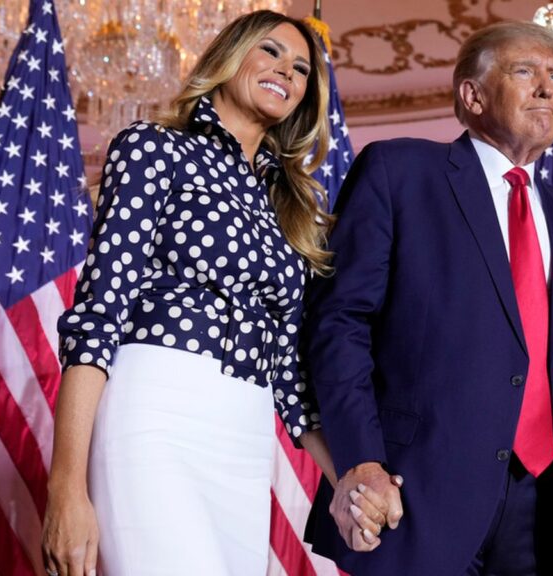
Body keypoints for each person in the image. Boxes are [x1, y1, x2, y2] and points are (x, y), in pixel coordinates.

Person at [303, 19, 553, 576]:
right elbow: (339, 323)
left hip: (543, 508)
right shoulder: (400, 172)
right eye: (525, 72)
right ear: (473, 94)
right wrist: (359, 460)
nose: (547, 88)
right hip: (412, 495)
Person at [40, 11, 376, 576]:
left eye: (300, 68)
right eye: (270, 52)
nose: (286, 72)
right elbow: (97, 316)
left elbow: (291, 376)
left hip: (246, 435)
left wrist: (347, 478)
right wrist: (65, 488)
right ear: (227, 57)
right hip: (155, 412)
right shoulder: (152, 149)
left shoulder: (288, 207)